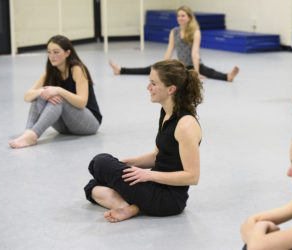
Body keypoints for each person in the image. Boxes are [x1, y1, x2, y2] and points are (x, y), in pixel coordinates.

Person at [84, 59, 203, 222]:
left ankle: (134, 205)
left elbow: (192, 177)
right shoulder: (166, 113)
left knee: (99, 162)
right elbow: (158, 156)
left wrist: (148, 175)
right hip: (154, 185)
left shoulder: (186, 125)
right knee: (92, 187)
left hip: (168, 199)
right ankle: (130, 207)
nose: (148, 87)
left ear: (171, 89)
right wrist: (129, 162)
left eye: (153, 83)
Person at [9, 35, 102, 148]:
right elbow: (27, 96)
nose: (52, 56)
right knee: (40, 94)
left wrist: (59, 90)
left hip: (88, 124)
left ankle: (33, 136)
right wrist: (42, 92)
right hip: (64, 127)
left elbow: (82, 102)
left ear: (67, 53)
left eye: (56, 52)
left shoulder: (77, 69)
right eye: (49, 52)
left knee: (58, 98)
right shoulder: (50, 73)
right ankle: (28, 132)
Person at [109, 5, 239, 82]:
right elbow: (169, 50)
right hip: (182, 65)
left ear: (189, 17)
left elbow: (195, 54)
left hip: (194, 64)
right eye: (178, 16)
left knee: (209, 71)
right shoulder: (174, 31)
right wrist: (162, 65)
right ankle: (120, 70)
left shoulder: (195, 31)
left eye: (183, 15)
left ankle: (228, 76)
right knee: (151, 68)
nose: (180, 18)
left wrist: (197, 72)